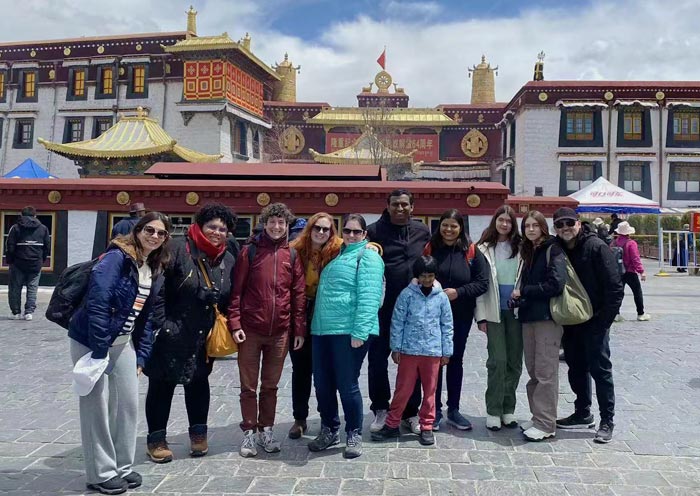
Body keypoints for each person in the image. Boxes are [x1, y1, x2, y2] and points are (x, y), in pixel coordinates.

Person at [68, 212, 170, 494]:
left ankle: (122, 466)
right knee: (95, 408)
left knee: (127, 404)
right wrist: (99, 351)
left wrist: (141, 355)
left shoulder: (152, 266)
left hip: (124, 342)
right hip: (91, 341)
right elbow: (99, 302)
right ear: (138, 231)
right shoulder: (116, 258)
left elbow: (146, 317)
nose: (155, 236)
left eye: (161, 233)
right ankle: (100, 473)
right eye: (150, 230)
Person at [144, 203, 236, 463]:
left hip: (202, 334)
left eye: (222, 228)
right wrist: (163, 326)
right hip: (172, 331)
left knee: (198, 383)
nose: (217, 232)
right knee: (162, 385)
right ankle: (156, 439)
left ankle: (198, 434)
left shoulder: (227, 258)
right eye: (212, 227)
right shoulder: (175, 249)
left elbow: (229, 295)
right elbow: (157, 290)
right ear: (200, 226)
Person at [228, 202, 306, 458]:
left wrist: (298, 330)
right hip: (251, 329)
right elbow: (236, 291)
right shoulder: (249, 252)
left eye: (281, 223)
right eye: (272, 222)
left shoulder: (291, 255)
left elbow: (298, 295)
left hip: (280, 331)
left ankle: (267, 430)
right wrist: (236, 323)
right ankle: (249, 433)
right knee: (248, 386)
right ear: (265, 223)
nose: (276, 226)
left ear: (287, 225)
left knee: (270, 386)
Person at [307, 214, 384, 458]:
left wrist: (360, 331)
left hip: (349, 330)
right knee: (322, 384)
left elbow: (370, 297)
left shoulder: (368, 256)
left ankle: (353, 432)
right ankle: (330, 428)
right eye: (348, 231)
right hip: (322, 330)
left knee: (346, 383)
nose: (351, 235)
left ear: (364, 234)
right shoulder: (338, 254)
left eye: (357, 232)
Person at [553, 207, 623, 444]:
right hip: (572, 322)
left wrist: (603, 323)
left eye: (569, 223)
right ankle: (582, 412)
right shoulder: (558, 248)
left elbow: (615, 288)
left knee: (600, 370)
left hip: (596, 321)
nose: (565, 228)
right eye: (560, 225)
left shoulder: (596, 248)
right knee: (576, 368)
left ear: (579, 224)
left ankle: (607, 420)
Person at [366, 189, 431, 435]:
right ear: (388, 205)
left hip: (414, 310)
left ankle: (410, 411)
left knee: (412, 360)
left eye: (405, 204)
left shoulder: (422, 232)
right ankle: (381, 408)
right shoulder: (373, 232)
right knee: (377, 360)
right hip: (383, 307)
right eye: (395, 204)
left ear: (412, 207)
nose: (400, 209)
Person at [372, 256, 453, 446]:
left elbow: (447, 324)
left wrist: (446, 351)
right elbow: (397, 322)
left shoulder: (441, 298)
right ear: (417, 275)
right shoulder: (406, 295)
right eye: (423, 276)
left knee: (430, 391)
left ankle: (427, 425)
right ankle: (392, 424)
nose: (427, 279)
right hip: (409, 350)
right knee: (403, 389)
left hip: (433, 351)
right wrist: (396, 347)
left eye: (430, 276)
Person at [423, 209, 488, 430]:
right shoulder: (431, 249)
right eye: (445, 225)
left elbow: (482, 282)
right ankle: (435, 409)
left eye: (453, 226)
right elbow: (419, 275)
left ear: (461, 228)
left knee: (455, 359)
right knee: (434, 362)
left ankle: (454, 409)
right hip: (432, 315)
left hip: (460, 315)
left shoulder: (471, 251)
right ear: (439, 226)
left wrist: (458, 292)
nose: (449, 230)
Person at [287, 213, 344, 439]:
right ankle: (299, 418)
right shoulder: (295, 249)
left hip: (328, 312)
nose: (321, 233)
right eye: (317, 228)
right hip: (301, 311)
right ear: (309, 229)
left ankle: (326, 418)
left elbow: (363, 246)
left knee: (325, 370)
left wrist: (373, 248)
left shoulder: (339, 248)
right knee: (301, 369)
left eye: (326, 229)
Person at [513, 211, 566, 442]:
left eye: (536, 225)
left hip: (546, 318)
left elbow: (556, 284)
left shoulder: (553, 249)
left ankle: (546, 424)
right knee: (533, 370)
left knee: (546, 372)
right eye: (527, 226)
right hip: (529, 317)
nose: (531, 229)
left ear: (544, 228)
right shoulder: (529, 251)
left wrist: (524, 291)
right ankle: (537, 417)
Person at [475, 205, 523, 431]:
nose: (504, 224)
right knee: (497, 360)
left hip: (517, 311)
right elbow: (480, 285)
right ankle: (493, 409)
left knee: (514, 361)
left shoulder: (523, 247)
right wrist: (480, 317)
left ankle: (508, 408)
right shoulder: (483, 248)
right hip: (493, 310)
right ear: (495, 221)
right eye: (501, 220)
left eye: (509, 221)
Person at [5, 206, 50, 321]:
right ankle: (29, 312)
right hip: (35, 263)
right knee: (32, 287)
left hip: (18, 263)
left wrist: (10, 261)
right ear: (35, 216)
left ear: (21, 215)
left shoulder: (15, 228)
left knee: (15, 287)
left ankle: (16, 312)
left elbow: (10, 246)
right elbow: (47, 247)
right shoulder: (43, 228)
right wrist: (42, 260)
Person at [612, 222, 650, 321]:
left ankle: (616, 314)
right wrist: (641, 271)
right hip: (630, 271)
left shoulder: (614, 243)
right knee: (637, 292)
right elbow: (635, 258)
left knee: (618, 293)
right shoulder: (631, 243)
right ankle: (640, 313)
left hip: (617, 272)